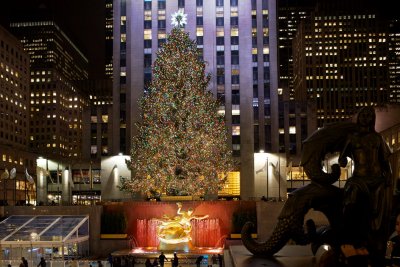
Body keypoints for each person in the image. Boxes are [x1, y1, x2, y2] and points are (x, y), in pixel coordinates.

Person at [339, 107, 392, 265]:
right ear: (359, 118)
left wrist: (388, 175)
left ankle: (372, 243)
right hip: (359, 179)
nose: (366, 118)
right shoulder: (352, 138)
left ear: (372, 119)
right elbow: (342, 158)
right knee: (351, 201)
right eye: (363, 115)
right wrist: (341, 162)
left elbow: (385, 161)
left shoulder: (377, 138)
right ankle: (351, 238)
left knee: (376, 213)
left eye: (369, 116)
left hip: (376, 180)